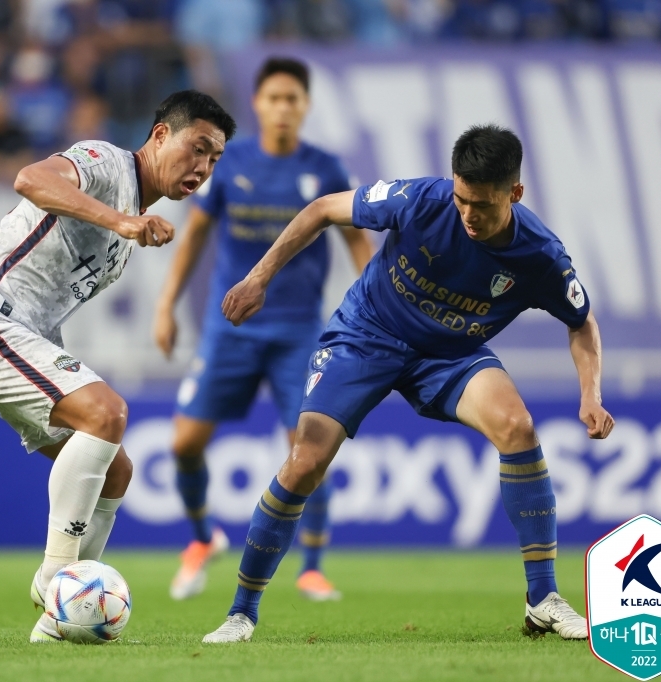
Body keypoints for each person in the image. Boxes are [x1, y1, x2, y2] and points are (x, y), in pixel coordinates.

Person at [202, 124, 614, 643]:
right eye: (462, 199)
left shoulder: (540, 256)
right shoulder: (420, 200)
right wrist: (259, 277)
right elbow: (323, 209)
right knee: (305, 460)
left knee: (518, 427)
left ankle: (543, 599)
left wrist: (590, 394)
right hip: (366, 334)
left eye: (483, 205)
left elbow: (582, 323)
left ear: (515, 193)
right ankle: (242, 613)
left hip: (449, 353)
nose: (468, 215)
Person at [0, 90, 236, 643]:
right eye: (197, 148)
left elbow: (39, 298)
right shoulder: (105, 162)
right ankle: (56, 579)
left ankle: (55, 627)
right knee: (107, 414)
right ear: (161, 135)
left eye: (215, 159)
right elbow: (29, 179)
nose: (203, 167)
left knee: (117, 470)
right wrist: (120, 221)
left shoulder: (129, 222)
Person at [154, 58, 372, 602]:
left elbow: (355, 240)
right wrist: (166, 306)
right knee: (184, 443)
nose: (282, 108)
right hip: (229, 328)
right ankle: (203, 539)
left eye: (292, 99)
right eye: (273, 98)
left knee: (307, 447)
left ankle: (312, 566)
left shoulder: (324, 169)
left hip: (299, 331)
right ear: (257, 103)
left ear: (305, 106)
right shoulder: (228, 163)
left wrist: (375, 303)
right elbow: (196, 236)